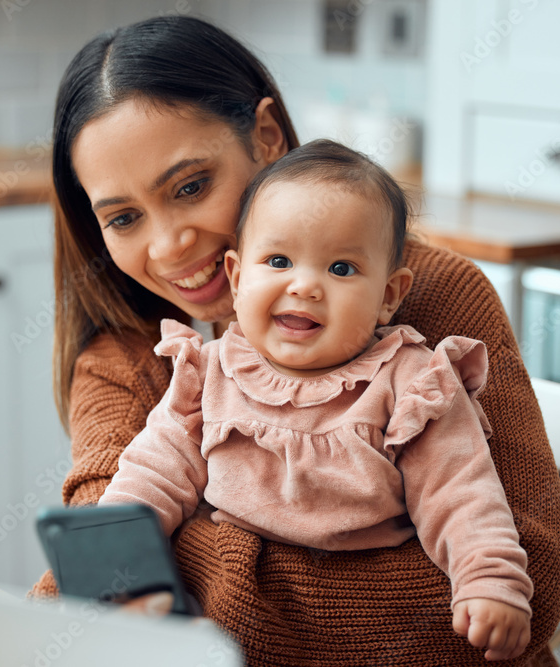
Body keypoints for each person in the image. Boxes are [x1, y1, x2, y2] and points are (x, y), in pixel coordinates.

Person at [30, 15, 560, 666]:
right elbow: (102, 563)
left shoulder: (428, 311)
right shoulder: (128, 355)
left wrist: (195, 572)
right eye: (123, 216)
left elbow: (520, 590)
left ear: (265, 137)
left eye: (192, 186)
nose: (170, 244)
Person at [98, 139, 534, 661]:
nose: (304, 285)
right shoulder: (208, 372)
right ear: (238, 278)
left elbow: (461, 492)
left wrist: (487, 580)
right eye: (278, 260)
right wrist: (111, 545)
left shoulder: (411, 384)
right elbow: (156, 468)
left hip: (373, 627)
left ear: (389, 296)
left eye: (342, 269)